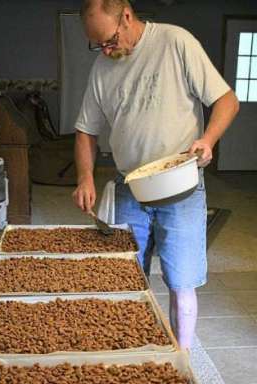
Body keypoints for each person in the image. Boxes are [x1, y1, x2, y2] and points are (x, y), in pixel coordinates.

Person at [72, 0, 239, 349]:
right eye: (97, 44)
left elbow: (227, 100)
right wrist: (85, 177)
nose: (105, 49)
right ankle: (130, 352)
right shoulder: (102, 68)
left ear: (127, 16)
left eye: (109, 39)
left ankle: (182, 357)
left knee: (181, 280)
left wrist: (208, 140)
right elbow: (86, 130)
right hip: (129, 186)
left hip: (181, 186)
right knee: (126, 277)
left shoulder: (176, 42)